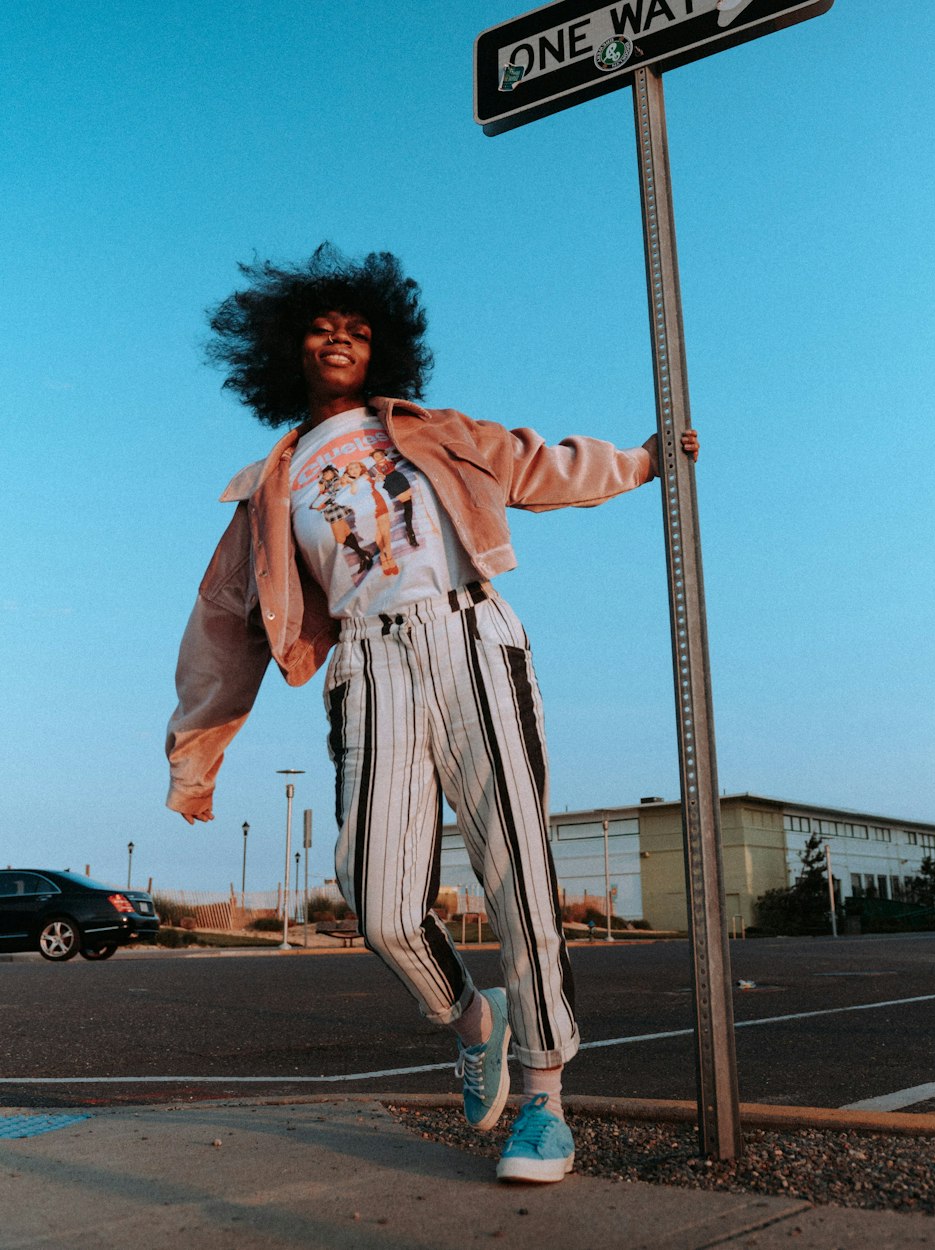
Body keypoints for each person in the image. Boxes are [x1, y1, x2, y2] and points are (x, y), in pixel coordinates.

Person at [165, 244, 698, 1184]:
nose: (339, 337)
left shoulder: (434, 429)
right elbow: (221, 628)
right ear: (288, 349)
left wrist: (647, 462)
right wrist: (194, 763)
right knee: (376, 902)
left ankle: (544, 1101)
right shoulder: (268, 489)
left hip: (471, 643)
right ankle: (471, 1019)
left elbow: (539, 464)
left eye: (358, 328)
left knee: (519, 871)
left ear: (382, 350)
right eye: (322, 327)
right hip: (368, 670)